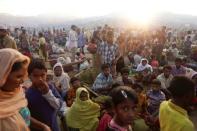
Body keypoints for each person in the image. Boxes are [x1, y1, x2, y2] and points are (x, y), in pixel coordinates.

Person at [0, 49, 50, 131]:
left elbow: (22, 115)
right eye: (18, 76)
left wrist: (42, 126)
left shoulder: (17, 92)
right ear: (2, 75)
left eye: (23, 76)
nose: (23, 81)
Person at [26, 59, 65, 131]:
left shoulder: (51, 87)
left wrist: (47, 93)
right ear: (29, 76)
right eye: (35, 76)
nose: (40, 79)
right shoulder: (28, 94)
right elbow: (26, 116)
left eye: (42, 75)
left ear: (46, 74)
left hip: (53, 126)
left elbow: (58, 106)